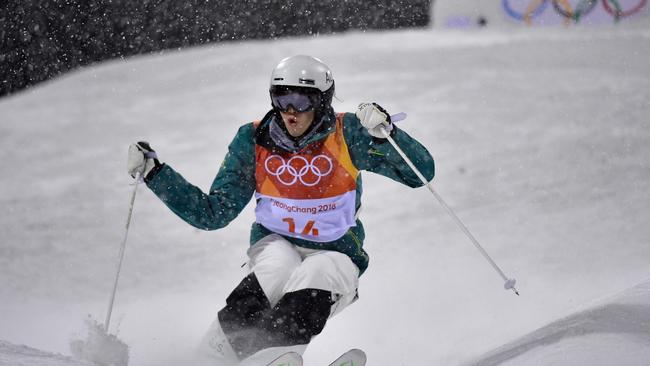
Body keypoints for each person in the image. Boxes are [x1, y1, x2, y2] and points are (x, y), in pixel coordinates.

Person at [127, 55, 434, 365]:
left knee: (319, 269)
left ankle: (271, 356)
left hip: (337, 253)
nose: (290, 110)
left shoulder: (347, 132)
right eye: (281, 97)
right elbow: (213, 213)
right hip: (276, 243)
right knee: (277, 266)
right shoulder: (253, 139)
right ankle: (213, 357)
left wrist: (389, 135)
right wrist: (155, 173)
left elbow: (419, 174)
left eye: (301, 100)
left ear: (322, 100)